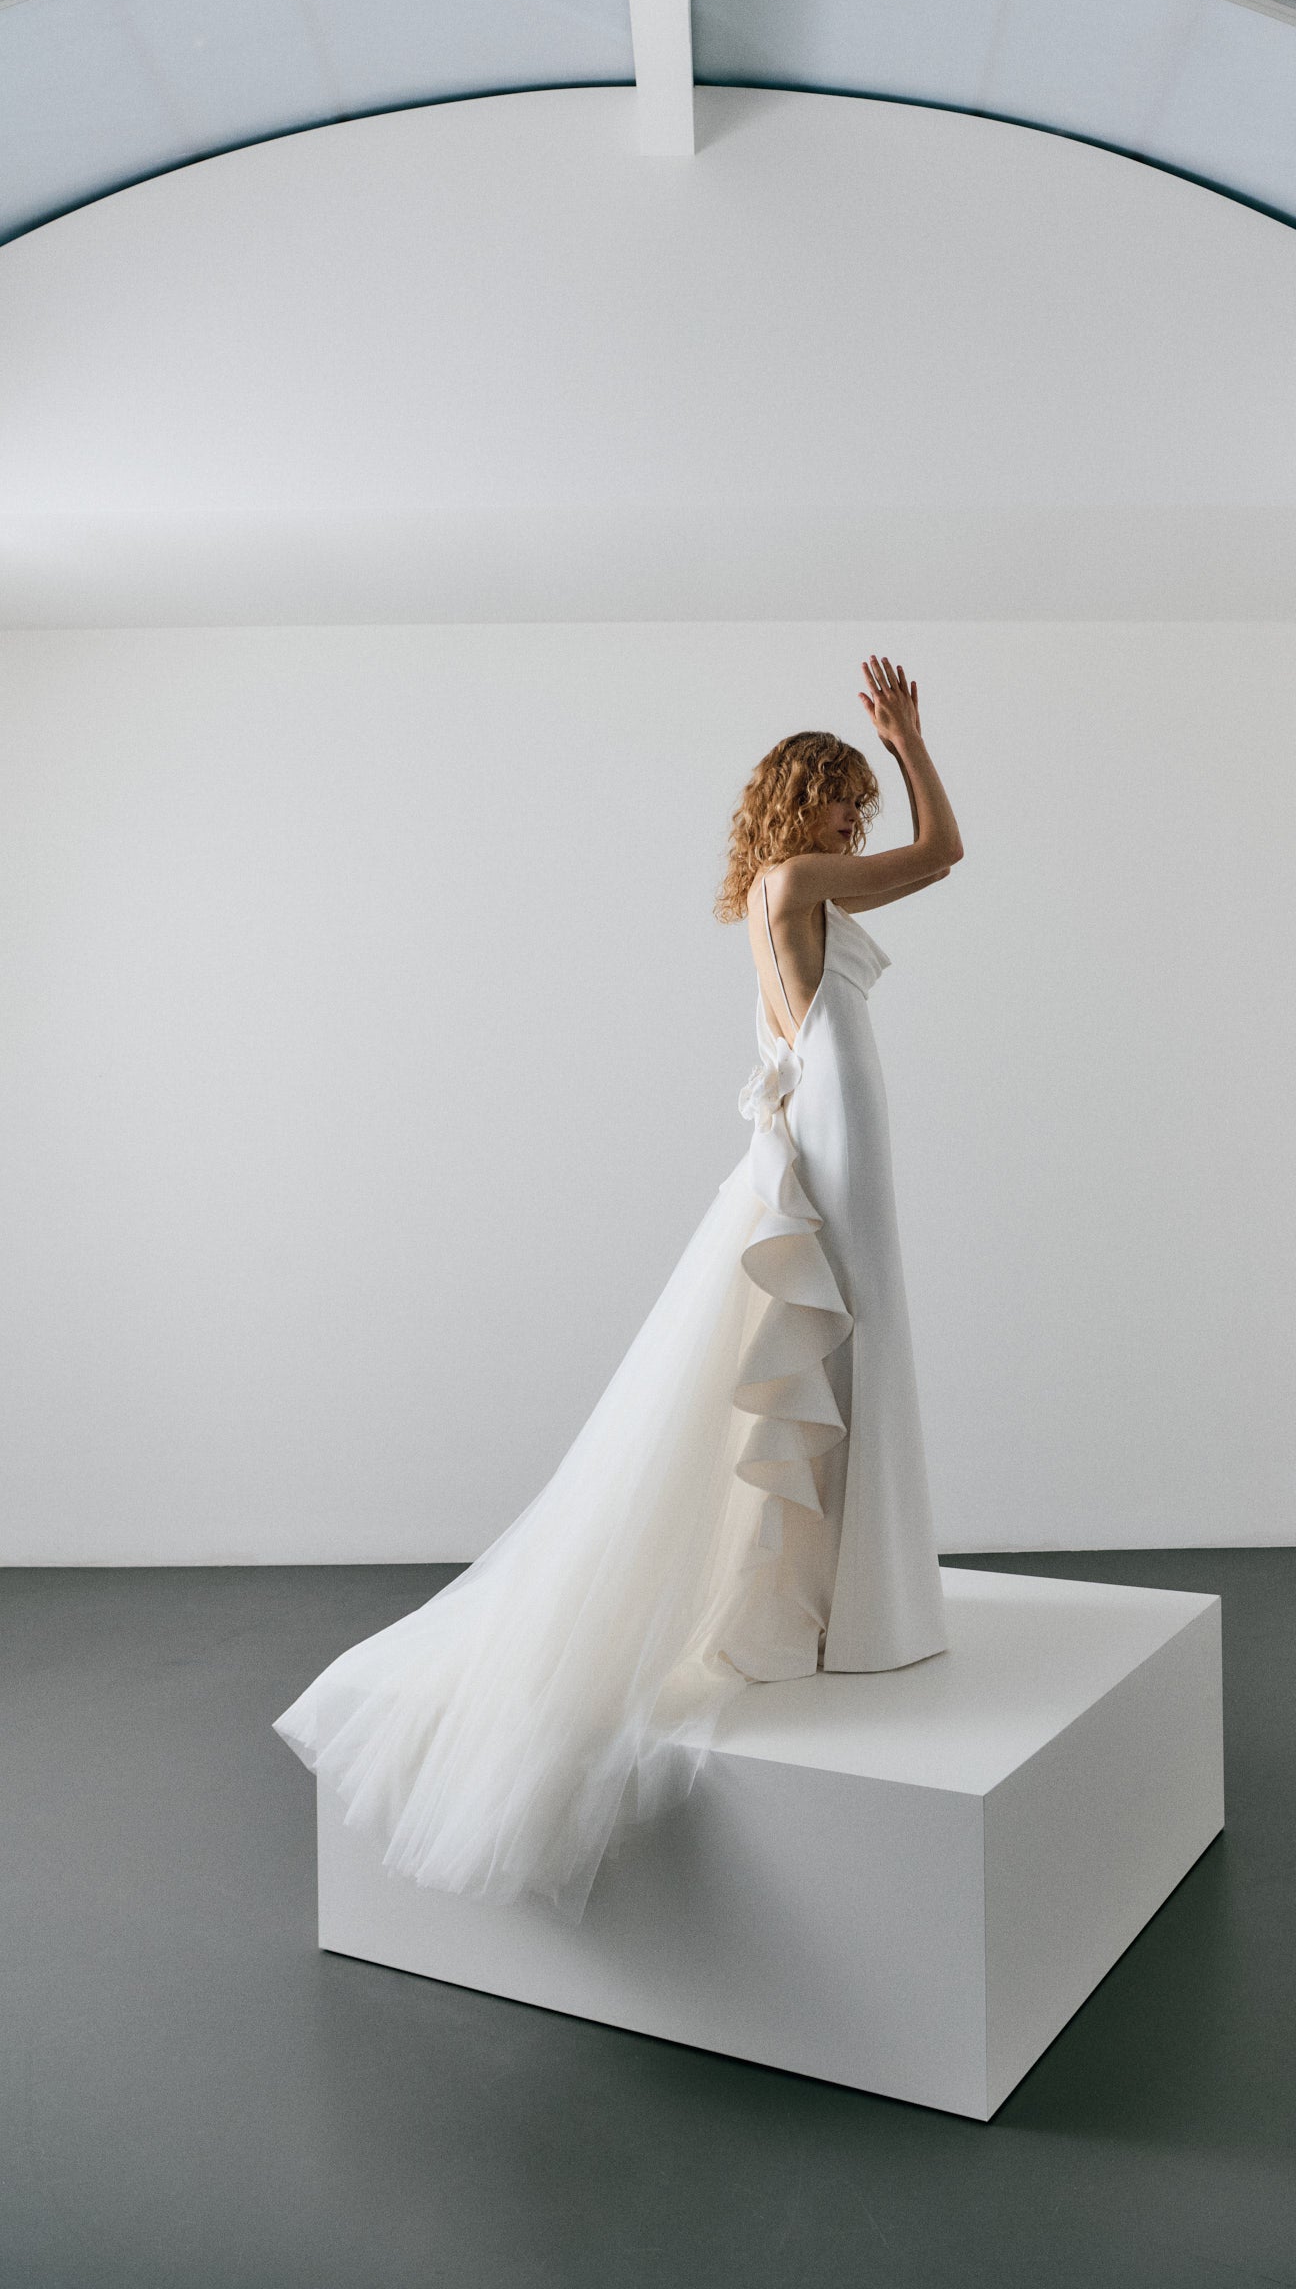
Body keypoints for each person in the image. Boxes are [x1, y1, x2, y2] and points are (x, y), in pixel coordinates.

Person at [274, 655, 964, 1919]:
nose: (855, 826)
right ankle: (853, 1612)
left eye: (861, 804)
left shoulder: (763, 890)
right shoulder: (796, 881)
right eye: (845, 800)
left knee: (843, 1343)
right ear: (806, 799)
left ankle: (842, 1605)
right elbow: (946, 854)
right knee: (853, 1337)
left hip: (820, 1109)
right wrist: (916, 742)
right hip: (839, 1115)